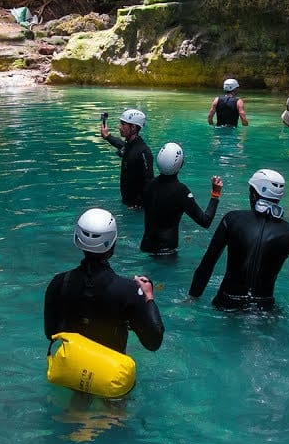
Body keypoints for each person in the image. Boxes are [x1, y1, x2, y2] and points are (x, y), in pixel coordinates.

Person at [187, 169, 289, 311]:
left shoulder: (232, 220)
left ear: (253, 194)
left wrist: (192, 297)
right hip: (264, 308)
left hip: (226, 303)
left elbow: (207, 263)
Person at [44, 208, 164, 356]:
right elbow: (153, 342)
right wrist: (148, 298)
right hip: (109, 375)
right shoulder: (128, 290)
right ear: (112, 244)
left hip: (70, 372)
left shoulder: (59, 283)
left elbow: (50, 333)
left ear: (77, 239)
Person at [140, 142, 223, 257]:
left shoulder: (149, 185)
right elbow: (205, 221)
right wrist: (215, 194)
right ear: (180, 164)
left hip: (145, 247)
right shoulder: (181, 191)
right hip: (166, 252)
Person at [99, 109, 153, 208]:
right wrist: (108, 136)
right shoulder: (130, 146)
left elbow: (149, 182)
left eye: (123, 124)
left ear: (133, 127)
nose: (119, 127)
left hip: (138, 209)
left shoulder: (143, 152)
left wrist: (141, 206)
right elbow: (122, 145)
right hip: (127, 203)